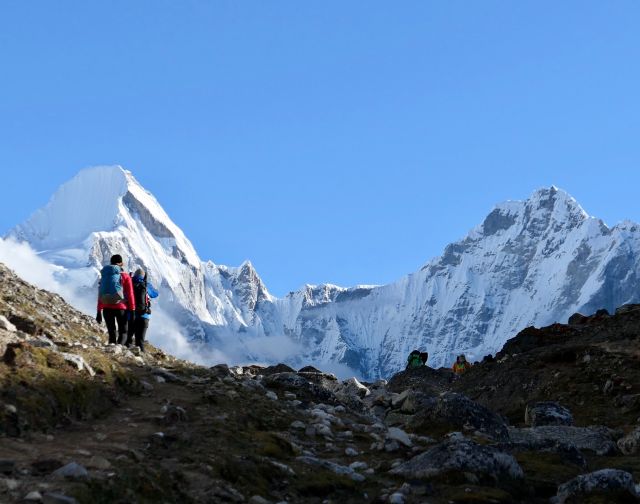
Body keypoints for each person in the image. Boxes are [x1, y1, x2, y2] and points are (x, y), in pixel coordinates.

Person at [96, 254, 135, 344]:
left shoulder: (104, 276)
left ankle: (111, 353)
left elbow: (101, 293)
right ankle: (119, 352)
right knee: (123, 332)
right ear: (121, 264)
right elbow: (130, 294)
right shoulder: (125, 276)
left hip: (106, 308)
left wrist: (99, 311)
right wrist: (132, 310)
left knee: (112, 333)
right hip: (121, 308)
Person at [125, 268, 158, 352]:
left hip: (131, 315)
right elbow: (155, 294)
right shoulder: (146, 284)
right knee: (140, 341)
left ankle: (126, 356)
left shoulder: (130, 283)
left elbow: (124, 296)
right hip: (144, 316)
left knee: (128, 339)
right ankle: (142, 360)